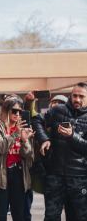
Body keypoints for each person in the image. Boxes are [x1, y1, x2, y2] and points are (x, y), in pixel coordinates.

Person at [32, 82, 87, 221]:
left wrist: (72, 136)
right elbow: (37, 120)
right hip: (55, 175)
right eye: (75, 95)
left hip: (79, 177)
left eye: (82, 96)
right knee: (51, 216)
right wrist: (44, 139)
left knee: (79, 217)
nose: (77, 99)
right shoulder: (58, 110)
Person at [0, 97, 34, 221]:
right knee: (0, 214)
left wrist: (24, 140)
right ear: (6, 110)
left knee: (19, 214)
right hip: (0, 174)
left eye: (20, 112)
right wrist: (15, 134)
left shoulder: (23, 126)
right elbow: (0, 148)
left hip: (19, 174)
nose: (18, 115)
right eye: (14, 111)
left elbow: (29, 155)